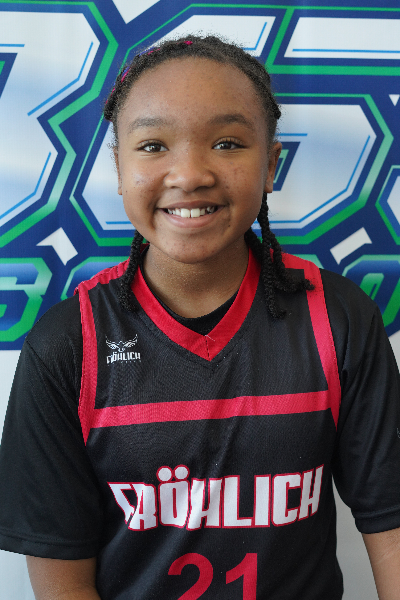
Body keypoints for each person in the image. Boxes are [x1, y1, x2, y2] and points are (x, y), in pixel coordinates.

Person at [0, 35, 400, 600]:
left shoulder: (338, 318)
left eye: (227, 143)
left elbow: (391, 526)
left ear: (271, 165)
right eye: (153, 145)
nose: (189, 174)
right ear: (119, 167)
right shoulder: (69, 343)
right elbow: (61, 578)